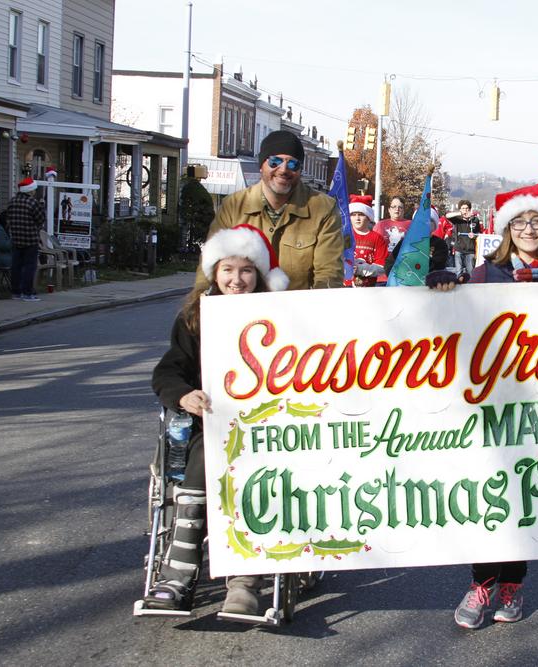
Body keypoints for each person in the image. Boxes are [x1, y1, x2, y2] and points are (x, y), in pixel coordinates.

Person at [427, 182, 538, 629]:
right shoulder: (488, 275)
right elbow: (455, 320)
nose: (529, 229)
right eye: (521, 221)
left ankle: (514, 583)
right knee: (489, 493)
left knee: (527, 495)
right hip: (492, 402)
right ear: (508, 228)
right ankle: (481, 582)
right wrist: (442, 283)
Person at [146, 224, 290, 614]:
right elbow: (167, 371)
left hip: (270, 426)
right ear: (214, 272)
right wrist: (183, 395)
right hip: (211, 425)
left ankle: (245, 578)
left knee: (257, 464)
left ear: (259, 275)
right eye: (227, 269)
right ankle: (178, 572)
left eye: (246, 270)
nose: (236, 279)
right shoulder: (195, 317)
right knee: (210, 450)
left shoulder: (283, 315)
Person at [200, 130, 343, 290]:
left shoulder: (323, 208)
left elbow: (329, 275)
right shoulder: (234, 205)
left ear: (300, 170)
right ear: (261, 165)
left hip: (296, 311)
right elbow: (209, 265)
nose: (283, 170)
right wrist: (198, 308)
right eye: (275, 162)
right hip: (243, 310)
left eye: (292, 164)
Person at [6, 177, 47, 301]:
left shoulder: (12, 202)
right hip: (30, 239)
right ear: (30, 191)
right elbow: (41, 219)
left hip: (16, 238)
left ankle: (16, 291)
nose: (34, 192)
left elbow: (8, 218)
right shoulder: (33, 203)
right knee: (29, 267)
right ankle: (28, 292)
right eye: (34, 190)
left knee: (16, 266)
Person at [346, 194, 388, 287]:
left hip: (368, 289)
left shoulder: (377, 238)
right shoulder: (343, 235)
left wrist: (361, 269)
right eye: (353, 215)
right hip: (344, 287)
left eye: (361, 215)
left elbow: (382, 267)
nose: (357, 218)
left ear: (368, 217)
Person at [449, 199, 481, 277]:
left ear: (469, 209)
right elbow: (447, 215)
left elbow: (479, 233)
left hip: (470, 250)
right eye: (463, 208)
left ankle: (470, 287)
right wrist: (460, 213)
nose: (465, 210)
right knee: (458, 272)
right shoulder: (456, 219)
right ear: (460, 209)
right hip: (459, 250)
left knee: (471, 273)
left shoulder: (475, 220)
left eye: (467, 208)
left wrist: (474, 235)